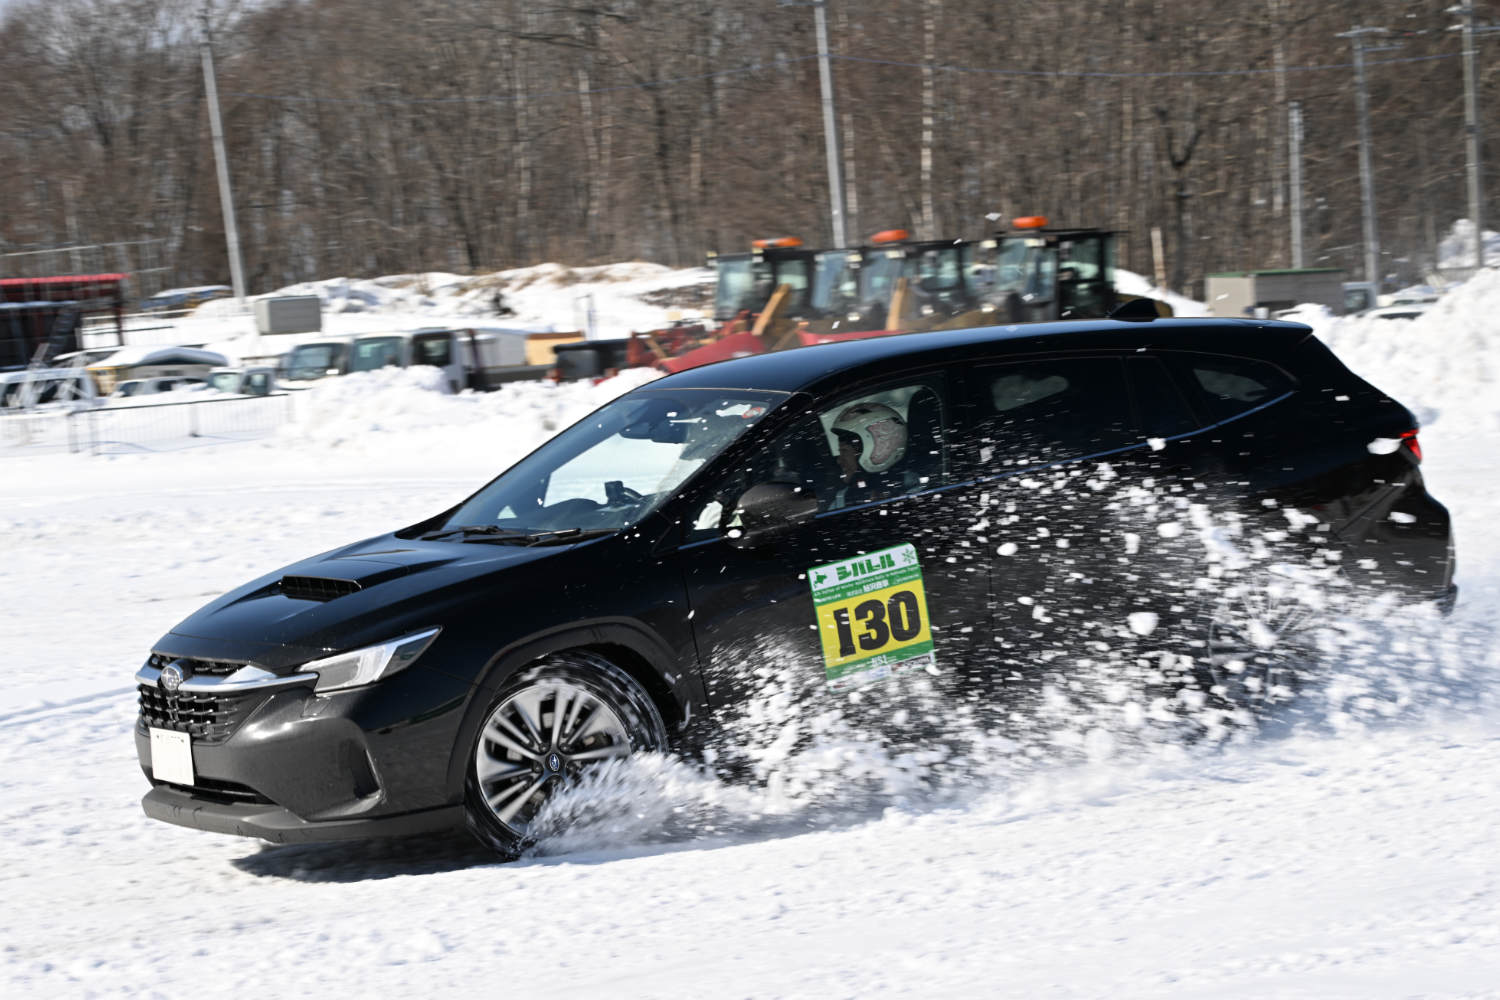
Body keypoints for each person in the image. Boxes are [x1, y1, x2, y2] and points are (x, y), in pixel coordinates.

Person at [830, 401, 907, 508]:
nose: (839, 460)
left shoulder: (912, 492)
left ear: (877, 448)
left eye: (844, 451)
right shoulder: (843, 500)